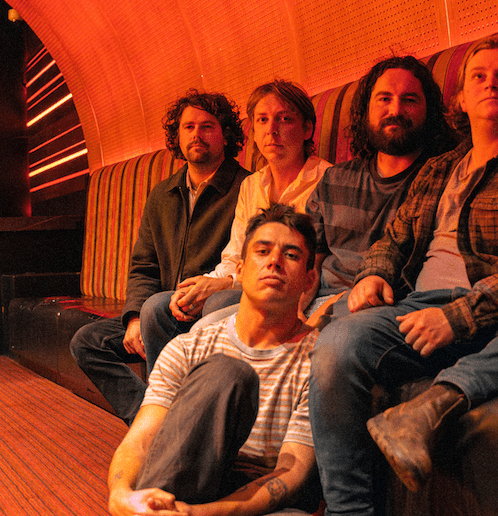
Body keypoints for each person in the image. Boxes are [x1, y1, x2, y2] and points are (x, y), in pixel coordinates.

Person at [309, 37, 498, 516]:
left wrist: (458, 316)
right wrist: (374, 273)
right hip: (418, 314)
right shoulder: (439, 169)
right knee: (337, 343)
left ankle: (436, 401)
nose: (491, 83)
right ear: (461, 99)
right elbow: (393, 238)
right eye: (479, 76)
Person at [107, 204, 321, 516]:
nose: (274, 261)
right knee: (227, 373)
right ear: (240, 269)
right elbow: (142, 439)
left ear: (309, 280)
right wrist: (120, 493)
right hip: (182, 483)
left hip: (256, 501)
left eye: (291, 255)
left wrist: (198, 514)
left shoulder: (319, 360)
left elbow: (293, 473)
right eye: (262, 251)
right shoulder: (189, 348)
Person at [70, 90, 250, 426]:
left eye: (208, 126)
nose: (197, 134)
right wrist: (133, 318)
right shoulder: (162, 194)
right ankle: (153, 420)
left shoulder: (246, 188)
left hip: (210, 311)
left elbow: (243, 263)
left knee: (157, 313)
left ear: (226, 134)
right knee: (87, 343)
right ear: (177, 136)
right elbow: (144, 266)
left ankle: (158, 428)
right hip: (160, 313)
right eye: (188, 127)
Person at [141, 80, 330, 336]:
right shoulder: (252, 185)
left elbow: (325, 261)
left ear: (307, 128)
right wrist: (207, 284)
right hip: (250, 286)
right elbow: (235, 256)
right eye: (262, 120)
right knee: (156, 307)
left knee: (215, 305)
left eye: (284, 119)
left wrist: (224, 286)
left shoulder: (328, 179)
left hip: (302, 293)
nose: (271, 130)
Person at [305, 56, 457, 317]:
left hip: (381, 307)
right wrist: (292, 311)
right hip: (319, 301)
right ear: (366, 109)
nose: (395, 110)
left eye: (410, 100)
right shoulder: (334, 179)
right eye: (384, 99)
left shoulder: (442, 179)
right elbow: (309, 262)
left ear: (429, 111)